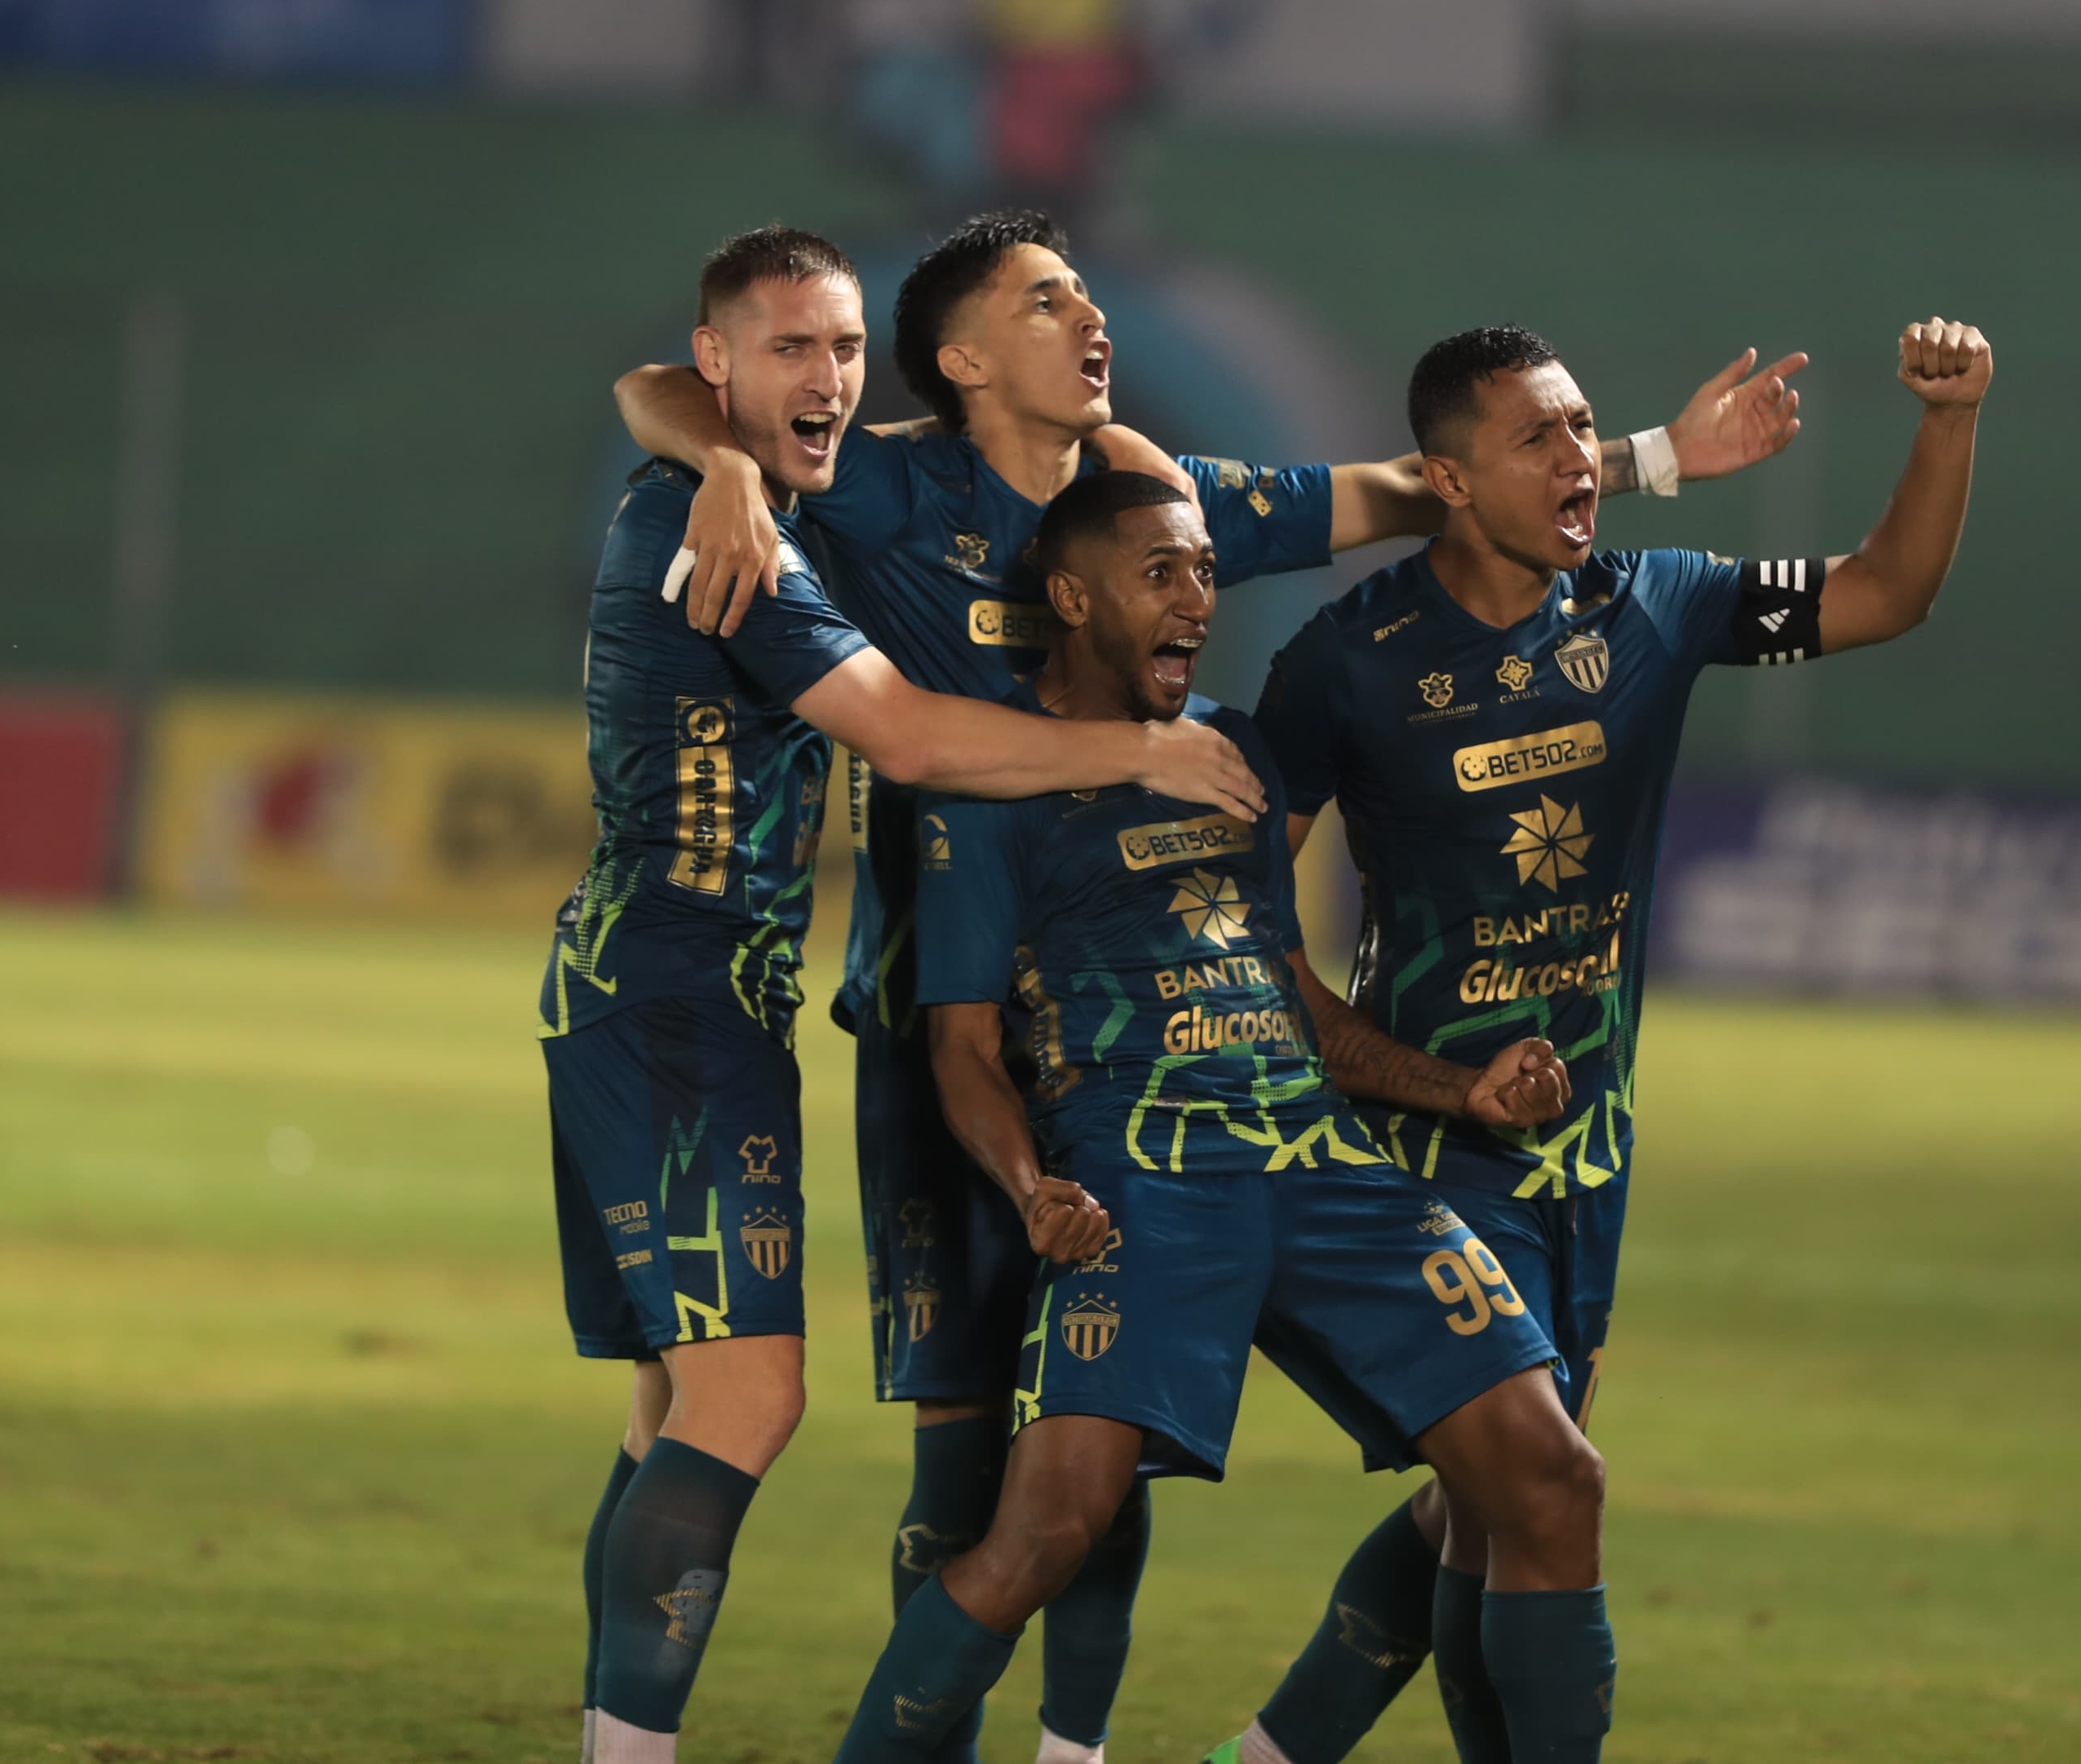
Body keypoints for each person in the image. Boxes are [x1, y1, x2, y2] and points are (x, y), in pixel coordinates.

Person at [608, 209, 1804, 1764]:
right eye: (1047, 303)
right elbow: (665, 386)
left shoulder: (1168, 503)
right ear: (963, 360)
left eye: (1088, 295)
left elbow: (1396, 491)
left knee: (1112, 1467)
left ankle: (1077, 1752)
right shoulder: (880, 484)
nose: (1089, 318)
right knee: (977, 1458)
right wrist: (723, 466)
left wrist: (1645, 458)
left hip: (1192, 1085)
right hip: (948, 1008)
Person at [1205, 316, 1993, 1764]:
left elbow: (1889, 591)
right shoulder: (1349, 665)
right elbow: (1252, 947)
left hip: (1589, 1146)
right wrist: (1447, 1086)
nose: (1579, 459)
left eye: (1584, 430)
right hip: (1424, 1155)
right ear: (1446, 481)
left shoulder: (1658, 606)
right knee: (1546, 1489)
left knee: (1484, 1504)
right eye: (1538, 438)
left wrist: (1950, 420)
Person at [538, 226, 1264, 1764]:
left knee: (673, 1405)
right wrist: (1140, 749)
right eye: (791, 349)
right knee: (752, 1399)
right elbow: (913, 741)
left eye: (845, 348)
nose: (828, 379)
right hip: (674, 986)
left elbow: (662, 393)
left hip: (679, 986)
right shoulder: (715, 530)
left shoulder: (761, 497)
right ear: (721, 364)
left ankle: (609, 1732)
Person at [830, 467, 1624, 1764]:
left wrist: (1457, 1089)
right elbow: (963, 1048)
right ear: (1073, 597)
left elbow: (1296, 997)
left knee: (1555, 1477)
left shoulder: (1237, 750)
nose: (1197, 596)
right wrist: (1034, 1186)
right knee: (1043, 1532)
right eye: (1162, 573)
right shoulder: (985, 794)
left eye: (1205, 570)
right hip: (1146, 1189)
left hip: (1323, 1173)